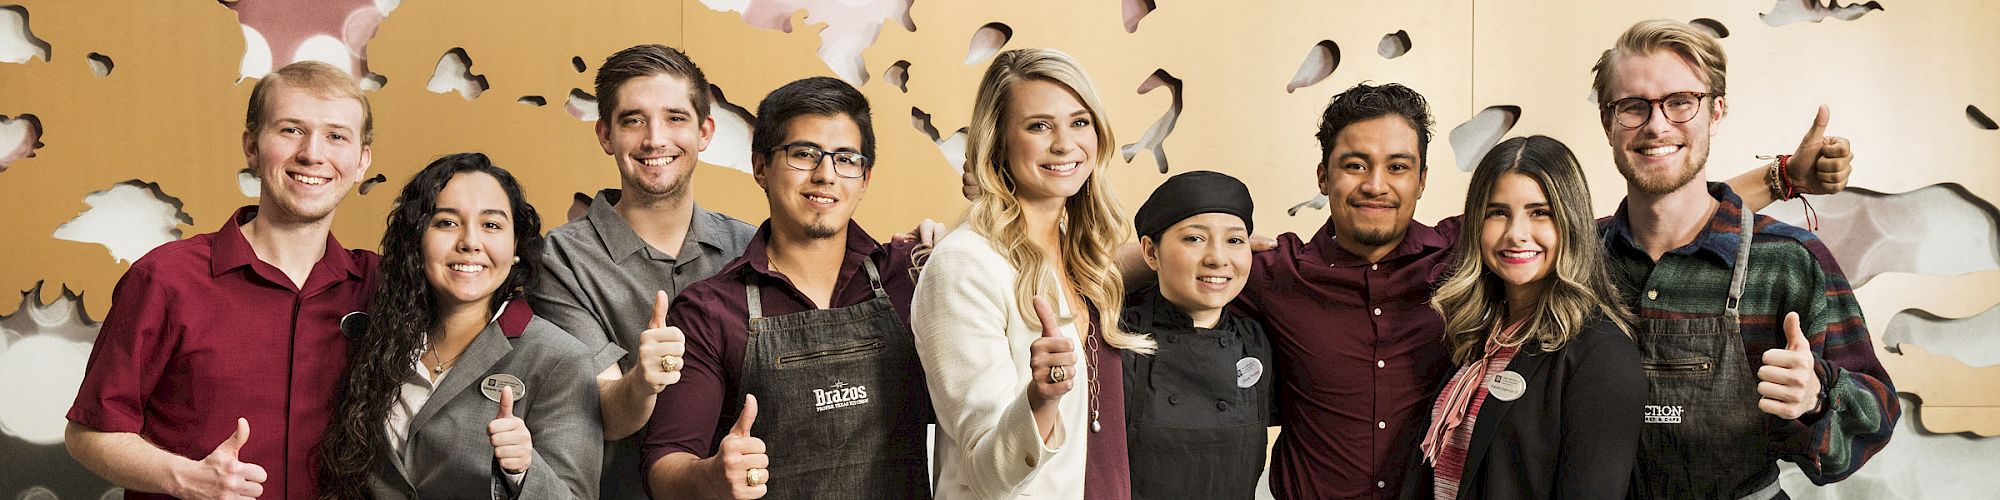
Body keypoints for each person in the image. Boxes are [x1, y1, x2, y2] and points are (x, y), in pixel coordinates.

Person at [1588, 19, 1896, 498]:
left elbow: (1877, 416)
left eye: (1680, 102)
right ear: (1607, 122)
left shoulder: (1787, 261)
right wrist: (1782, 176)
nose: (1657, 125)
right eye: (1632, 106)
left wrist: (1817, 395)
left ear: (1716, 111)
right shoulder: (1577, 261)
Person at [64, 60, 377, 500]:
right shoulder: (165, 279)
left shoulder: (380, 286)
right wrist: (185, 478)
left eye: (336, 136)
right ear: (251, 146)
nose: (312, 153)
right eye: (291, 130)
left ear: (361, 161)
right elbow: (88, 433)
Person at [641, 76, 931, 499]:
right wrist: (710, 477)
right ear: (760, 167)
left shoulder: (913, 278)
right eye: (804, 154)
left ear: (865, 178)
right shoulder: (710, 310)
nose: (826, 175)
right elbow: (665, 463)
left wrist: (959, 249)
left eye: (846, 159)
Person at [914, 47, 1155, 499]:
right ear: (998, 142)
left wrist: (1217, 247)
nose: (1065, 144)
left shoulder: (1079, 257)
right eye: (1039, 126)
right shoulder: (963, 266)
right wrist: (1041, 401)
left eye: (1079, 122)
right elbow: (987, 471)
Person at [531, 44, 757, 500]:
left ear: (704, 132)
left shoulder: (749, 246)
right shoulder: (560, 258)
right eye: (633, 120)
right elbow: (602, 414)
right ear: (605, 135)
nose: (655, 139)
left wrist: (905, 253)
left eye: (675, 118)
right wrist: (642, 381)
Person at [316, 153, 603, 498]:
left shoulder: (560, 359)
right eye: (447, 223)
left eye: (491, 225)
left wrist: (523, 471)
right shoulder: (379, 335)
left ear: (515, 245)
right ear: (416, 239)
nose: (470, 242)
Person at [1400, 135, 1645, 499]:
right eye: (1497, 212)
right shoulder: (1482, 336)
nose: (1516, 234)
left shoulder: (1601, 354)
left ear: (1571, 222)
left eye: (1539, 213)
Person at [1119, 171, 1274, 500]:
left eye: (1235, 241)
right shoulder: (1117, 340)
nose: (1217, 259)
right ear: (1150, 253)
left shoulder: (1260, 342)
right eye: (1194, 238)